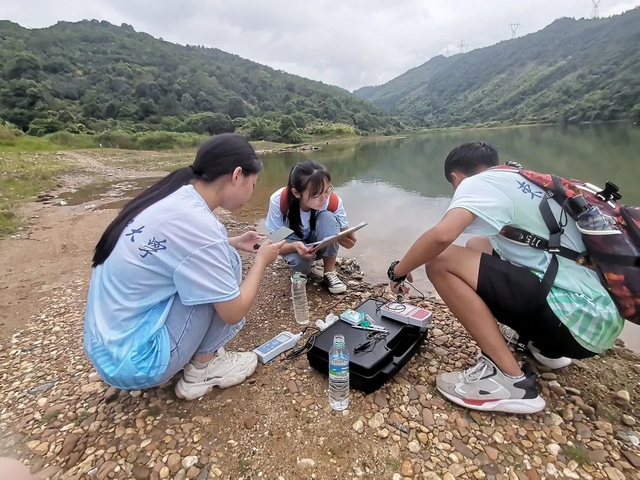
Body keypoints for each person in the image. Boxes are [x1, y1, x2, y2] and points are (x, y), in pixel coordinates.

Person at [386, 141, 623, 414]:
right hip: (596, 320)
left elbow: (442, 235)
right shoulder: (520, 179)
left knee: (440, 262)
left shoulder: (477, 183)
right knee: (478, 244)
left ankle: (510, 380)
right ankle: (541, 347)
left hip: (572, 325)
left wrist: (398, 271)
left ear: (455, 177)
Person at [84, 133, 285, 401]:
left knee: (223, 255)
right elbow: (233, 312)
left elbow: (176, 251)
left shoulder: (171, 198)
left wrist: (232, 241)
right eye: (253, 184)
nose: (251, 193)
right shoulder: (200, 224)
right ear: (237, 175)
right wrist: (261, 262)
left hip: (106, 350)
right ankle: (202, 371)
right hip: (140, 362)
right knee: (228, 261)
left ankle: (190, 355)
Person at [265, 159, 357, 294]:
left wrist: (346, 241)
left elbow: (346, 235)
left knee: (328, 218)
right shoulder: (279, 201)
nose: (324, 198)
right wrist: (294, 246)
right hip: (294, 246)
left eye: (327, 190)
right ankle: (301, 272)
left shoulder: (333, 201)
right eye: (316, 195)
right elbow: (274, 245)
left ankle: (329, 272)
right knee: (300, 261)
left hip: (318, 246)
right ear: (296, 193)